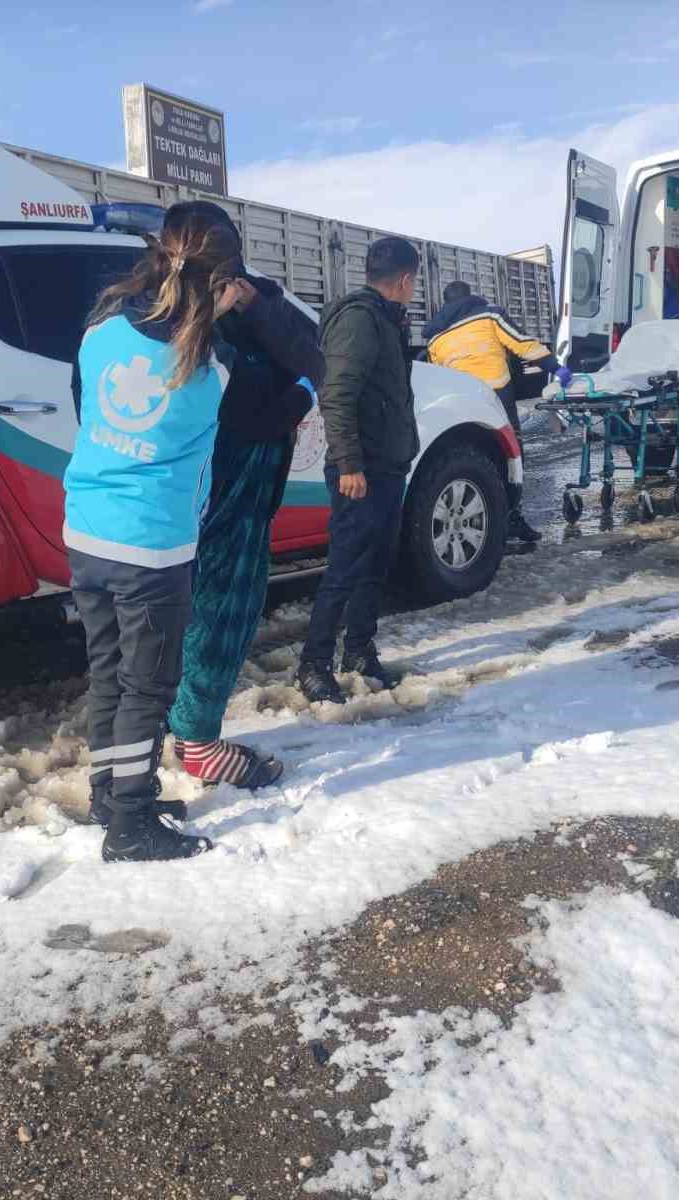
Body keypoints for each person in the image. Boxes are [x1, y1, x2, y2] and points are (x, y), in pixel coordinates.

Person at [65, 203, 245, 862]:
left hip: (86, 530)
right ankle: (133, 824)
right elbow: (281, 404)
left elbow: (85, 404)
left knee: (109, 674)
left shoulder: (102, 325)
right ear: (219, 281)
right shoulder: (212, 365)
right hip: (152, 547)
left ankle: (110, 793)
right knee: (148, 689)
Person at [165, 202, 324, 790]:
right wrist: (294, 402)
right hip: (203, 490)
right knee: (213, 608)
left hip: (247, 490)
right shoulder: (164, 311)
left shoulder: (257, 298)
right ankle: (197, 740)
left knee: (221, 604)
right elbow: (252, 405)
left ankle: (184, 727)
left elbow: (312, 356)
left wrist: (259, 310)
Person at [296, 236, 422, 705]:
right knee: (346, 566)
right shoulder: (359, 321)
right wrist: (349, 463)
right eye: (415, 282)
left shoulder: (385, 320)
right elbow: (337, 393)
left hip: (386, 467)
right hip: (360, 471)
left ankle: (359, 650)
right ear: (406, 279)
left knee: (376, 562)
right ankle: (313, 662)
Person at [424, 281, 557, 543]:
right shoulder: (489, 316)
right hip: (496, 394)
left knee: (479, 461)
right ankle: (513, 518)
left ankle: (488, 527)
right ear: (471, 297)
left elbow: (437, 373)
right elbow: (522, 344)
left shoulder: (436, 338)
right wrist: (555, 366)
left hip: (461, 403)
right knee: (511, 457)